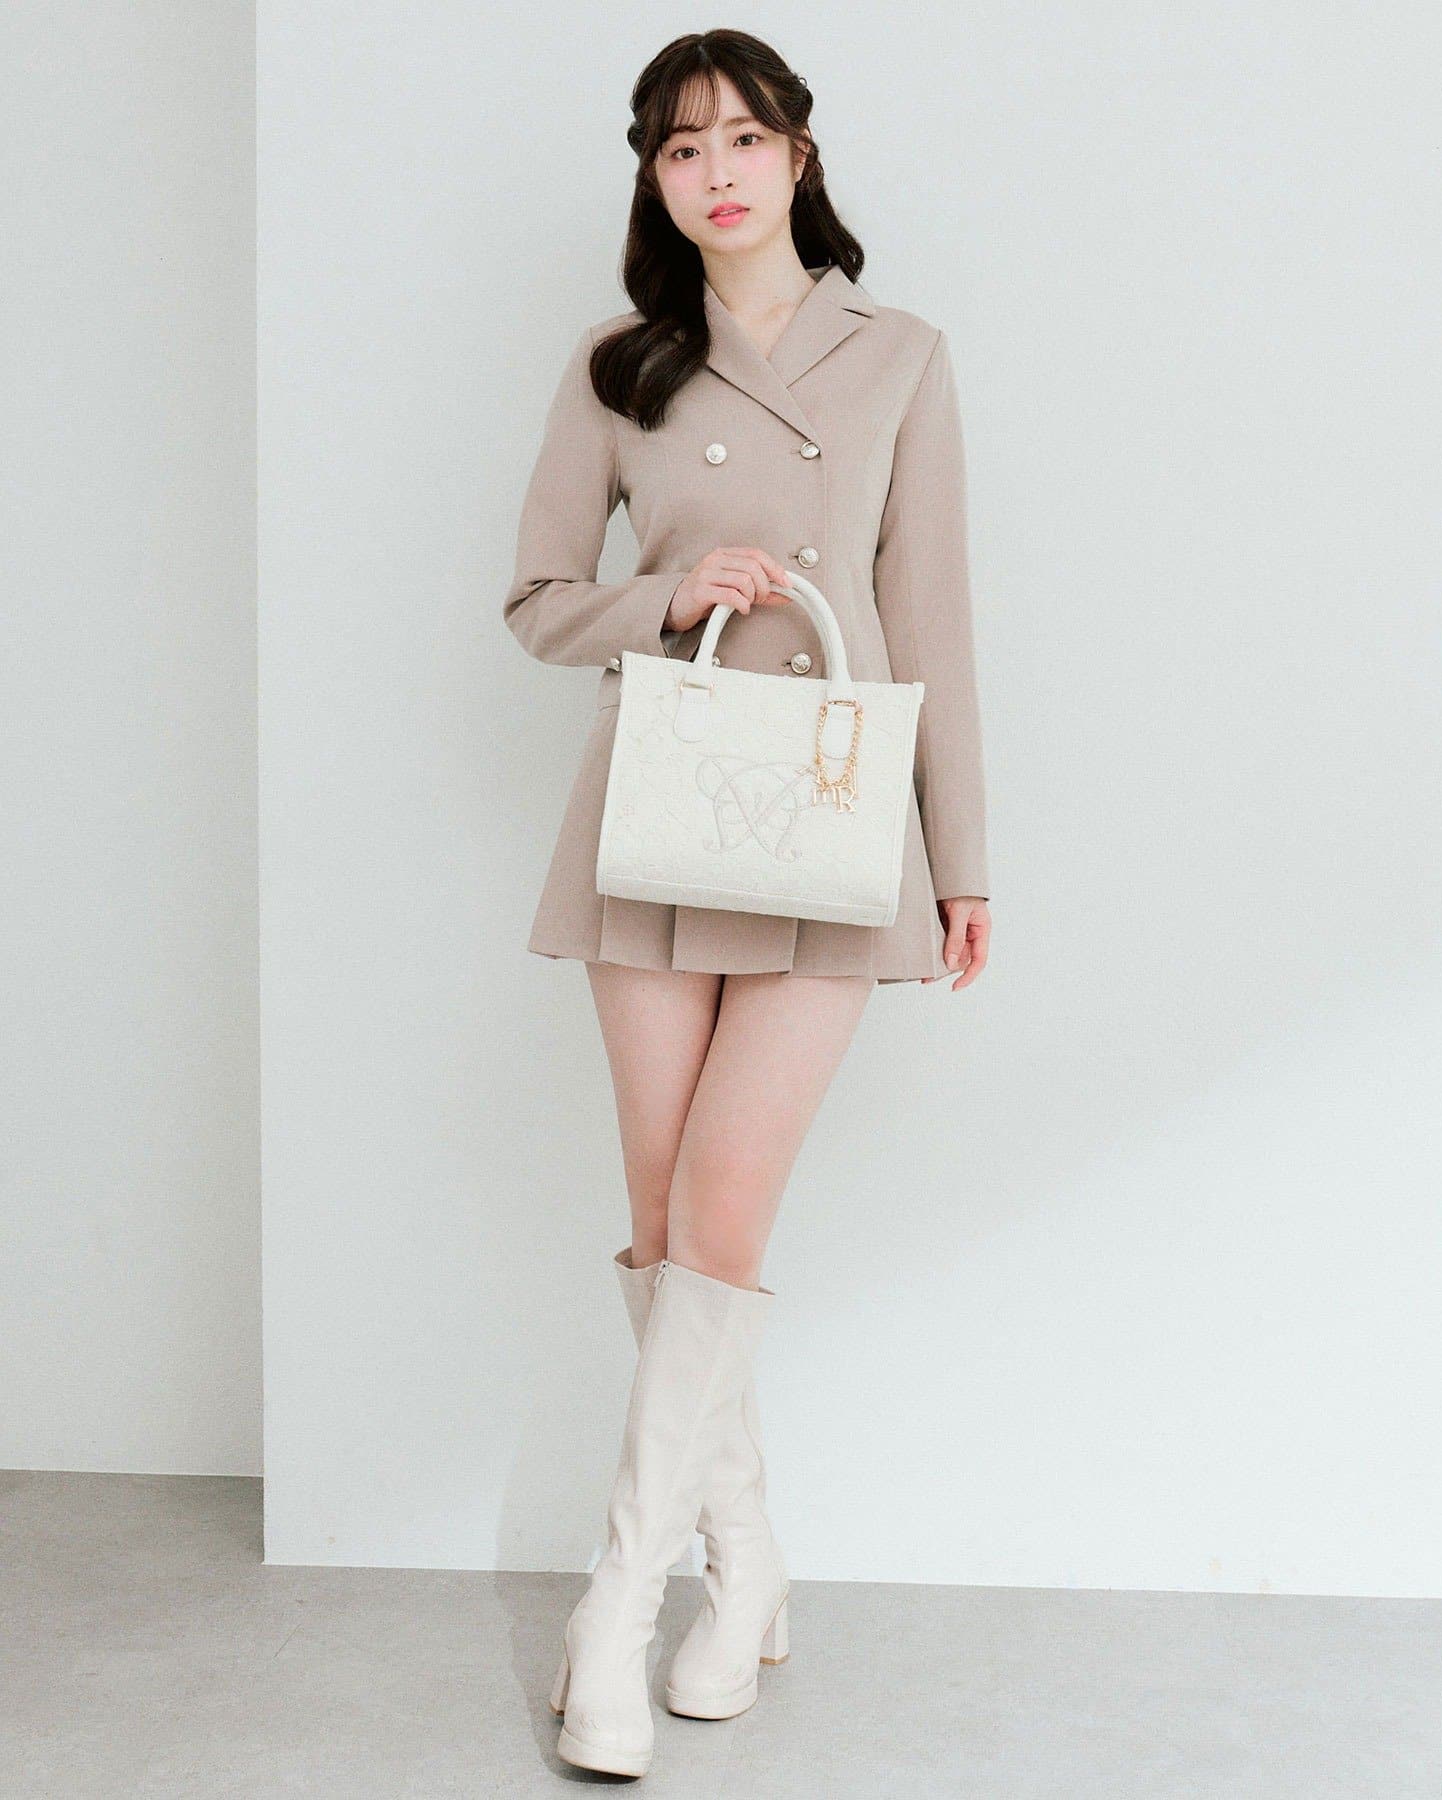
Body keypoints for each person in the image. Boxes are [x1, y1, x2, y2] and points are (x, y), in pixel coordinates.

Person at [502, 29, 992, 1779]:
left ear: (799, 156)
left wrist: (963, 858)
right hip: (659, 813)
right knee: (664, 1219)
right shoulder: (619, 365)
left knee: (720, 1206)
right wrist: (664, 592)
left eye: (745, 138)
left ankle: (617, 1606)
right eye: (680, 146)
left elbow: (930, 618)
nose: (715, 172)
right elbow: (535, 599)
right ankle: (749, 1564)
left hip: (837, 834)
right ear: (654, 176)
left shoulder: (899, 355)